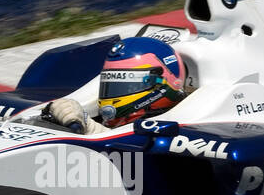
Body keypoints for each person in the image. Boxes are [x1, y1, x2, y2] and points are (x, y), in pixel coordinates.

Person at [44, 36, 191, 134]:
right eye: (110, 84)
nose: (112, 96)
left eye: (127, 85)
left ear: (159, 83)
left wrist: (88, 127)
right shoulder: (113, 123)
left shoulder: (182, 127)